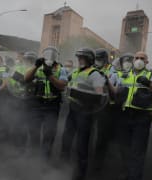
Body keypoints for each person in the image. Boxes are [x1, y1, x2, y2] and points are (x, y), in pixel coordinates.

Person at [114, 51, 152, 180]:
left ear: (147, 62)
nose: (138, 60)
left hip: (142, 117)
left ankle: (134, 177)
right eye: (136, 58)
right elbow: (116, 91)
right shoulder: (125, 75)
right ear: (133, 61)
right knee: (123, 149)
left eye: (142, 58)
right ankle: (125, 174)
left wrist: (149, 84)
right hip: (125, 114)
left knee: (137, 152)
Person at [61, 47, 106, 180]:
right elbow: (65, 84)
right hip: (72, 110)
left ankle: (80, 174)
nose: (79, 60)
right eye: (79, 57)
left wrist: (83, 95)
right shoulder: (75, 72)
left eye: (82, 58)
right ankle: (62, 167)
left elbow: (99, 95)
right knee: (66, 140)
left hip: (85, 113)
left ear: (89, 59)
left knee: (82, 145)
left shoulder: (94, 74)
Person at [25, 46, 67, 158]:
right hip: (36, 104)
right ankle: (33, 159)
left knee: (49, 134)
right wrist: (35, 66)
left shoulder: (61, 69)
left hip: (52, 106)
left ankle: (45, 159)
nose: (50, 56)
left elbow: (62, 86)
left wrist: (50, 75)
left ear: (56, 57)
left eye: (52, 54)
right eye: (47, 54)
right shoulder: (38, 68)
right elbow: (26, 79)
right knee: (33, 131)